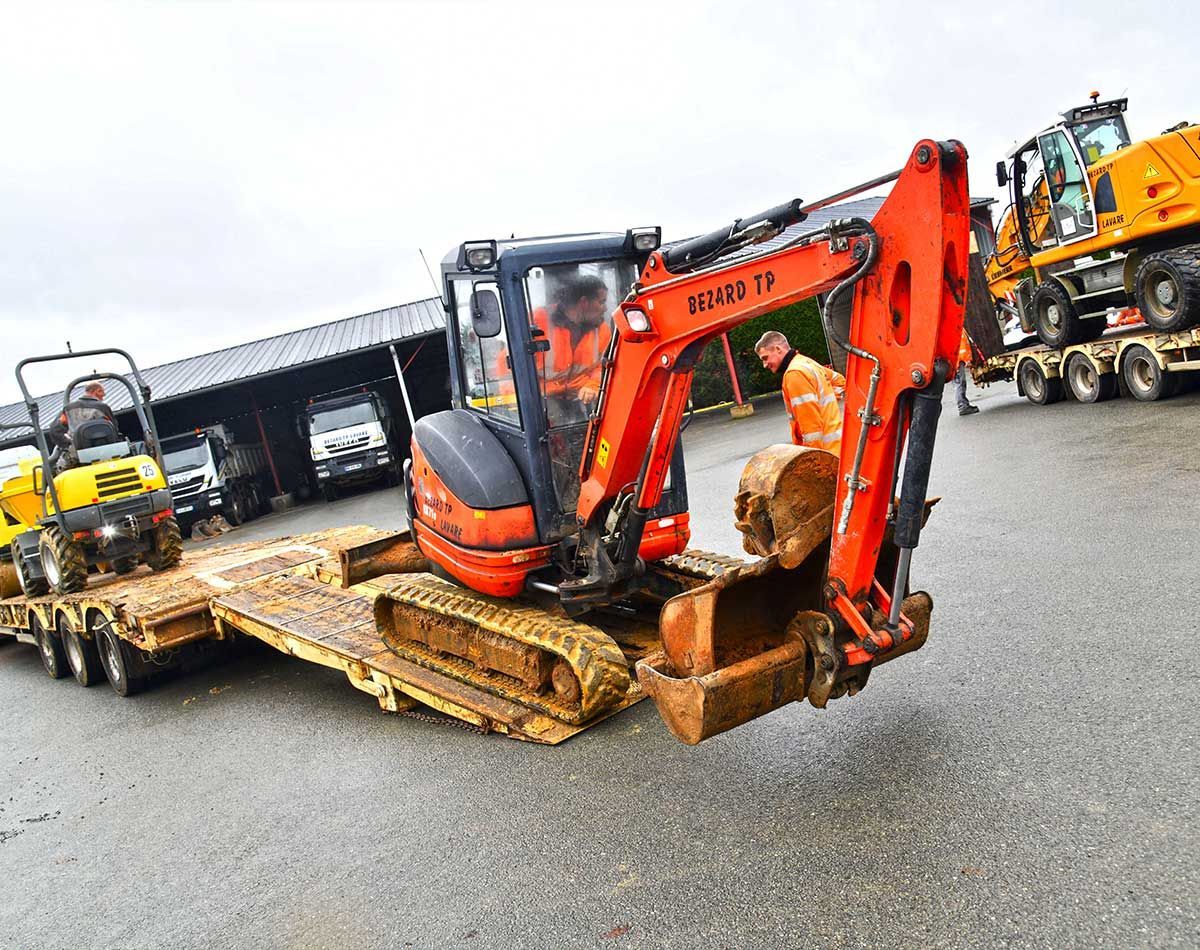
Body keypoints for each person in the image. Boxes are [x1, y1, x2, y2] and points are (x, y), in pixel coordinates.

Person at [532, 275, 613, 426]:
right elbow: (512, 365)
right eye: (601, 302)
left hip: (579, 395)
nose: (605, 308)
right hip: (542, 397)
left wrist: (593, 385)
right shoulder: (539, 320)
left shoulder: (602, 330)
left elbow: (604, 366)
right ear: (584, 302)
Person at [754, 330, 844, 454]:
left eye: (765, 358)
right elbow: (840, 382)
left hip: (826, 455)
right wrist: (822, 402)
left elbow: (811, 429)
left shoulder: (794, 374)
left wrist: (814, 461)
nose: (765, 364)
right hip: (837, 448)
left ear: (778, 349)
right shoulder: (807, 363)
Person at [48, 380, 116, 468]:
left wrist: (68, 445)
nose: (104, 395)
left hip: (76, 456)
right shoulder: (102, 408)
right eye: (103, 392)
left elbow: (55, 430)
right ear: (97, 391)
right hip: (103, 454)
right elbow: (113, 429)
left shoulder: (69, 409)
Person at [955, 329, 979, 416]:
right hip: (957, 361)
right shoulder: (956, 329)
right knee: (960, 383)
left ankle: (963, 405)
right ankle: (963, 406)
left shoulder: (959, 329)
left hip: (958, 360)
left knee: (960, 383)